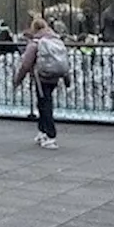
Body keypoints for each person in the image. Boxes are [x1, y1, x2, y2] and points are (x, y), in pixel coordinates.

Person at [14, 16, 70, 149]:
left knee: (45, 105)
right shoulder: (56, 40)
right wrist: (67, 80)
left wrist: (17, 81)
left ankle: (51, 136)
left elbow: (26, 65)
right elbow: (64, 61)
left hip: (41, 78)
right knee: (43, 102)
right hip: (55, 76)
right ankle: (42, 131)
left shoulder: (35, 43)